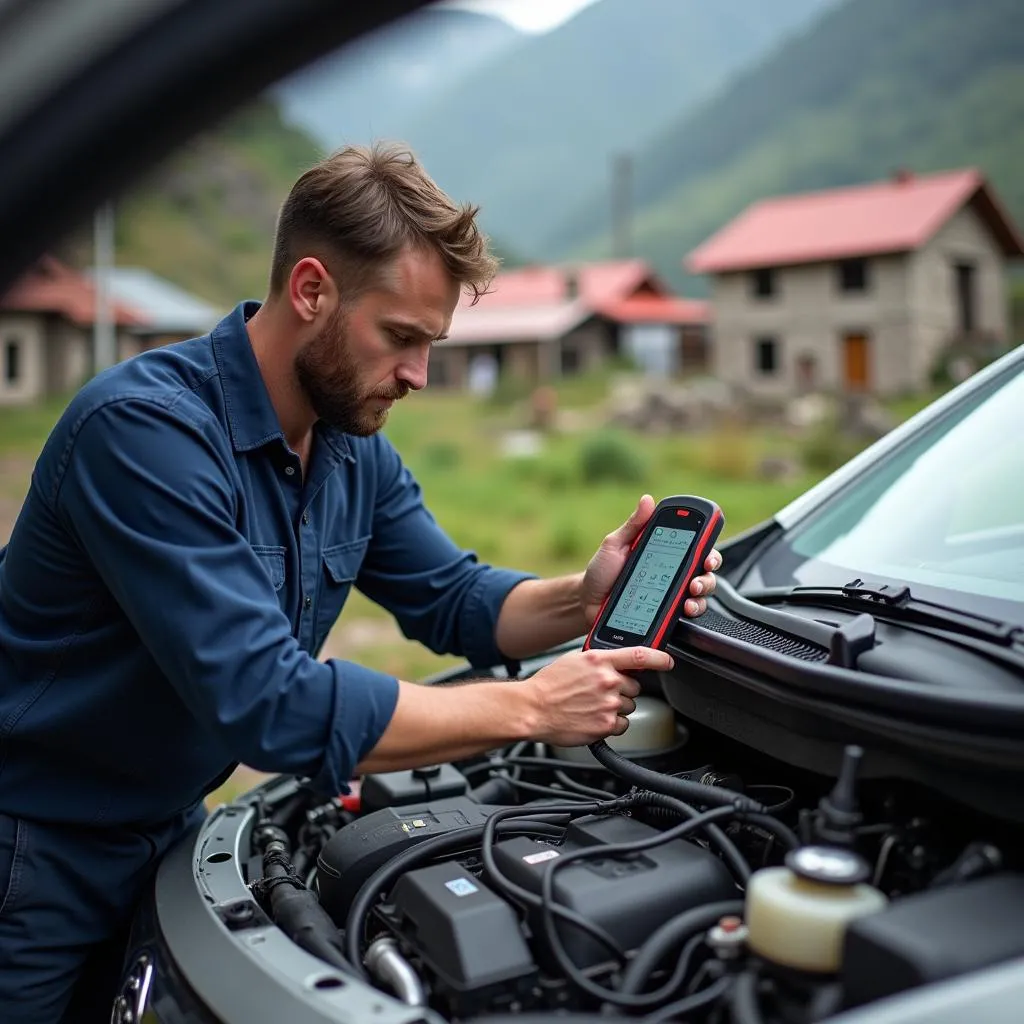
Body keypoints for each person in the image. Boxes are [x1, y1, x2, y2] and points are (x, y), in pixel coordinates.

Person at [0, 143, 719, 1022]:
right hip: (32, 849)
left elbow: (455, 599)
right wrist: (531, 709)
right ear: (311, 291)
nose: (419, 374)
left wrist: (585, 597)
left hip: (171, 836)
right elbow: (270, 704)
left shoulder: (349, 449)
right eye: (401, 337)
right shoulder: (143, 434)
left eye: (432, 343)